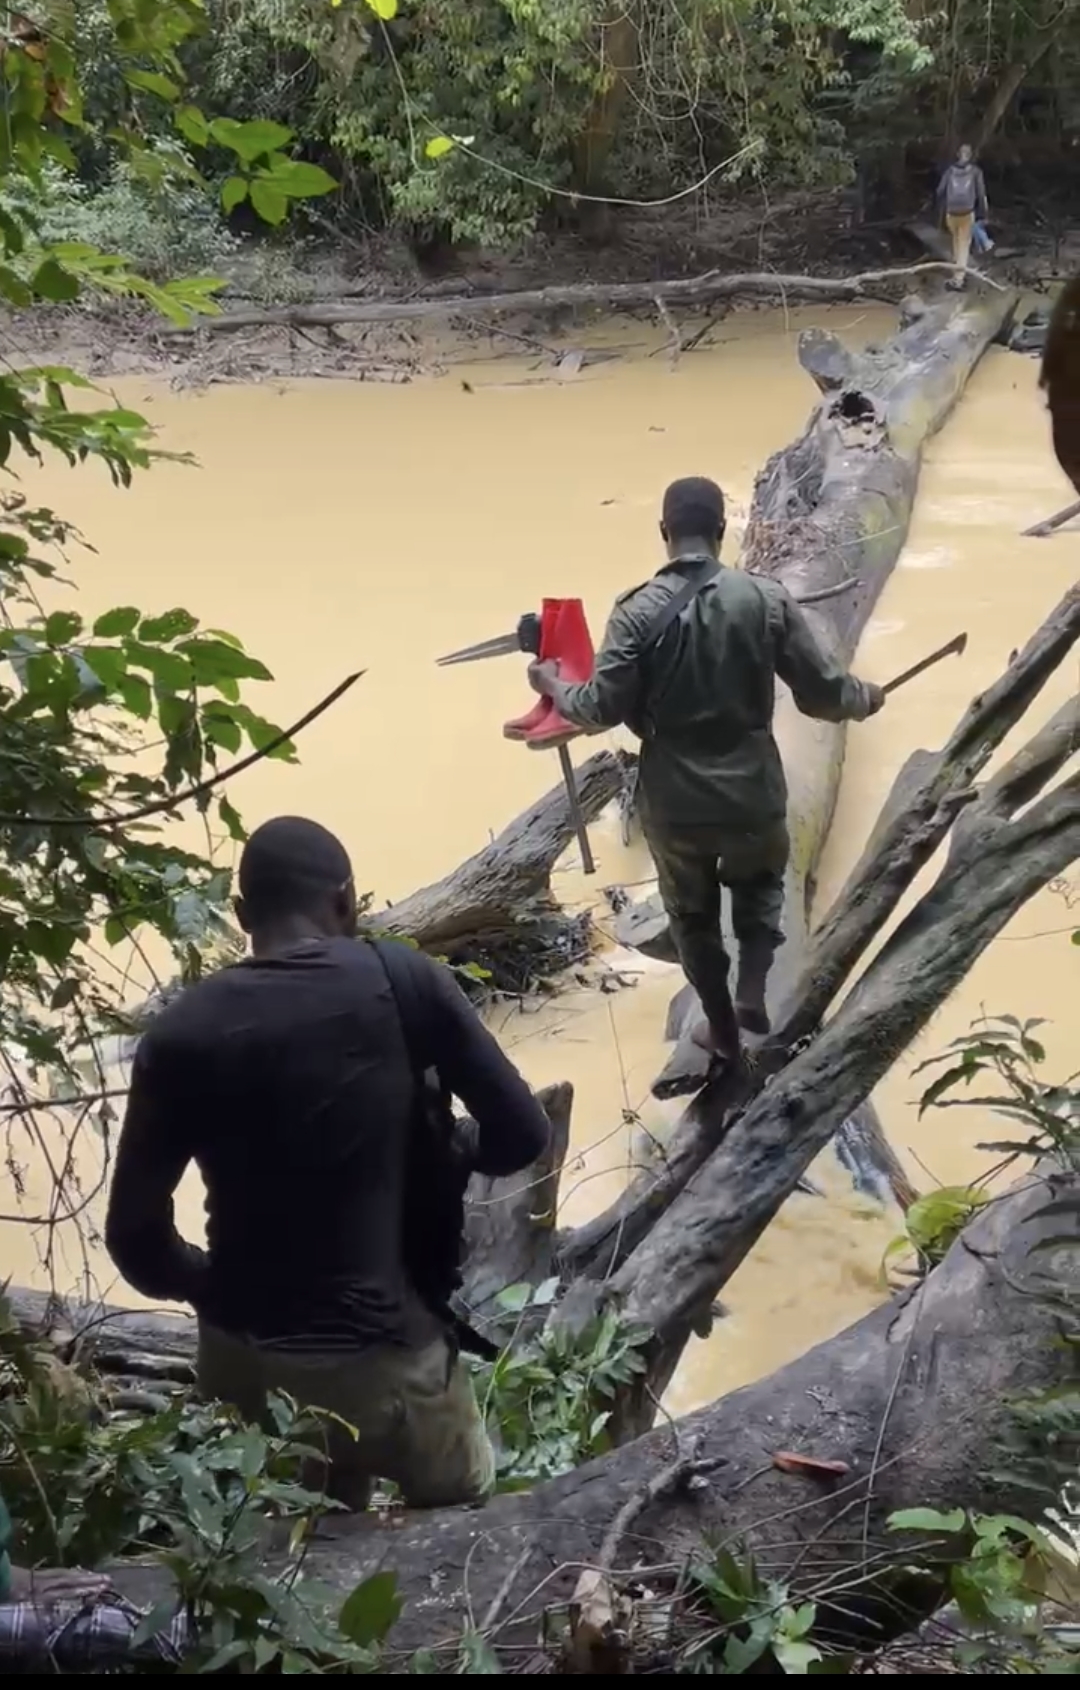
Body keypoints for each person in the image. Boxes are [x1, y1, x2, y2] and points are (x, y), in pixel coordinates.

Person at [105, 815, 549, 1510]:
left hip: (243, 1368)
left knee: (295, 1533)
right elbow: (523, 1133)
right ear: (346, 900)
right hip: (385, 1364)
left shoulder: (178, 1033)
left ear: (243, 915)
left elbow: (133, 1237)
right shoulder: (405, 982)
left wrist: (211, 1289)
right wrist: (451, 1150)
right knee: (466, 1506)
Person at [528, 477, 885, 1068]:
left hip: (674, 798)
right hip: (751, 786)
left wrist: (550, 684)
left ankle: (720, 1024)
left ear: (664, 533)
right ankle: (752, 991)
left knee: (690, 915)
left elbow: (597, 709)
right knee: (761, 885)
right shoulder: (766, 600)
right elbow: (822, 696)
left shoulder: (636, 610)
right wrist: (865, 697)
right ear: (722, 532)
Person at [935, 144, 989, 286]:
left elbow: (939, 191)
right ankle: (959, 279)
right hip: (967, 212)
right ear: (970, 155)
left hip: (951, 213)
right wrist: (983, 213)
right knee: (963, 245)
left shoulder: (949, 171)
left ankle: (956, 272)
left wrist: (944, 206)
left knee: (956, 242)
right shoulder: (976, 172)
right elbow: (981, 194)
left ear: (958, 154)